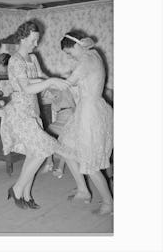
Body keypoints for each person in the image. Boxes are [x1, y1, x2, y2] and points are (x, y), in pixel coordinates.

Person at [0, 21, 71, 209]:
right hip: (20, 112)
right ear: (23, 38)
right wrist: (50, 83)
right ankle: (16, 189)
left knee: (34, 154)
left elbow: (41, 77)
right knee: (41, 151)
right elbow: (27, 87)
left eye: (37, 40)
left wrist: (56, 85)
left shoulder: (33, 58)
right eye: (33, 40)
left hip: (33, 110)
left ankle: (25, 194)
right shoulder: (15, 61)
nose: (36, 44)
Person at [58, 30, 113, 215]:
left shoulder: (86, 60)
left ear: (76, 46)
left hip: (90, 113)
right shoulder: (93, 54)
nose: (69, 56)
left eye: (69, 52)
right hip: (87, 108)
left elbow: (68, 83)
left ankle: (108, 203)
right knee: (65, 146)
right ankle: (83, 190)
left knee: (91, 164)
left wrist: (46, 80)